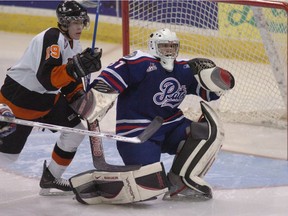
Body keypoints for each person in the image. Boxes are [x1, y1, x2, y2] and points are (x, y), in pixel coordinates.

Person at [79, 28, 235, 203]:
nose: (169, 50)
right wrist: (94, 100)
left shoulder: (184, 68)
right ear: (153, 46)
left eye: (172, 46)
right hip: (137, 132)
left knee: (205, 132)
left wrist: (216, 75)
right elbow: (109, 80)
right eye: (164, 46)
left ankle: (181, 183)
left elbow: (213, 91)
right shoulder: (139, 62)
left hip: (171, 126)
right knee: (149, 186)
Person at [0, 1, 101, 195]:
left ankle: (51, 177)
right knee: (7, 157)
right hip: (21, 99)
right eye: (74, 23)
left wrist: (79, 96)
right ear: (63, 23)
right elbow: (47, 79)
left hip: (47, 100)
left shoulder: (74, 43)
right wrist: (75, 68)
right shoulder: (52, 38)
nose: (79, 27)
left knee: (75, 132)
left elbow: (68, 82)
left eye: (82, 22)